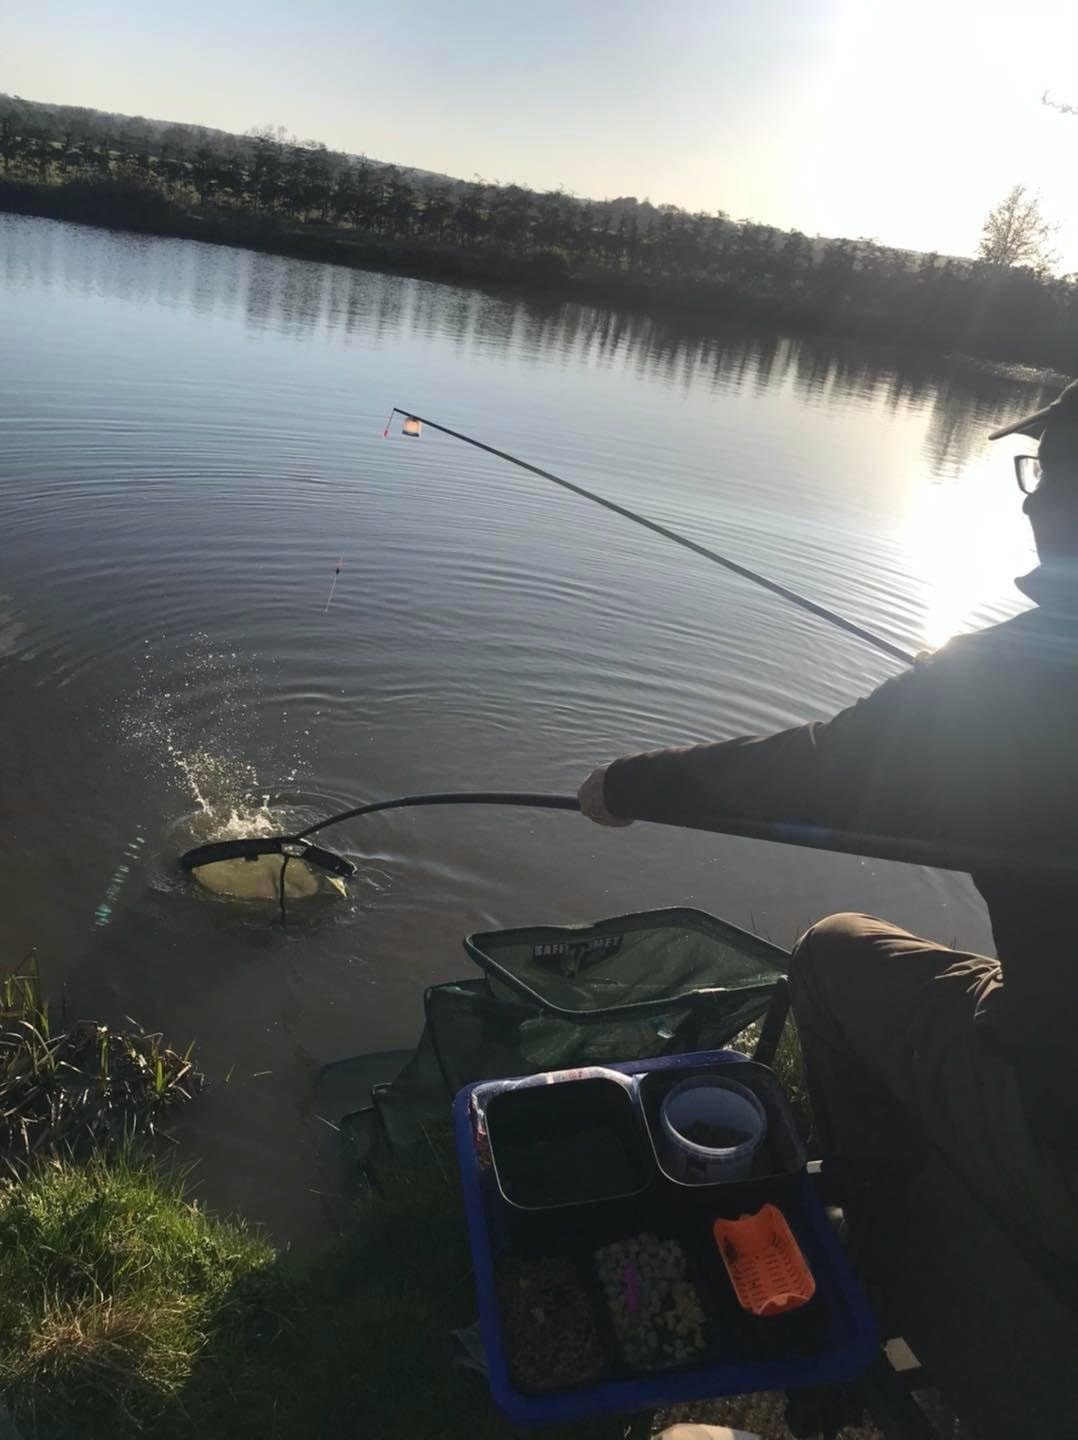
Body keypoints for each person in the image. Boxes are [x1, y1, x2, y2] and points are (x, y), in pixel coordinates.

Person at [578, 380, 1078, 1429]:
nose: (1029, 504)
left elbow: (817, 769)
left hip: (1060, 1108)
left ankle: (872, 1256)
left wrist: (628, 784)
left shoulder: (1018, 677)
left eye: (1047, 474)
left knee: (835, 949)